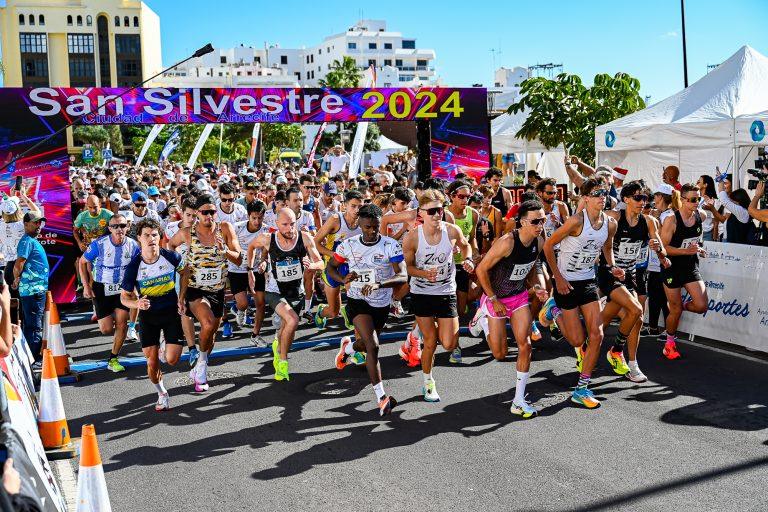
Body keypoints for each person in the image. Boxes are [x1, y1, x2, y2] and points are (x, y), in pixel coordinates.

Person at [543, 176, 623, 409]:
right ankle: (553, 309)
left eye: (605, 193)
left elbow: (607, 248)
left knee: (596, 335)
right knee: (577, 339)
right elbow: (548, 246)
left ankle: (582, 388)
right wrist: (557, 277)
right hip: (566, 282)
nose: (602, 197)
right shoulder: (576, 221)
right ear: (585, 198)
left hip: (588, 281)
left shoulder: (610, 224)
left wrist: (612, 266)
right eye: (597, 193)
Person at [328, 204, 406, 417]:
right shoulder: (348, 245)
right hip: (357, 300)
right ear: (360, 225)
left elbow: (402, 276)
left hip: (380, 302)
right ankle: (381, 397)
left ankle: (349, 348)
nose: (372, 231)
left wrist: (379, 285)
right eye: (367, 228)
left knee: (365, 344)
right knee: (373, 347)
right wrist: (343, 279)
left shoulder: (391, 245)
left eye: (375, 227)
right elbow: (330, 268)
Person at [474, 200, 548, 418]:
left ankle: (518, 399)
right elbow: (481, 269)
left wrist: (536, 287)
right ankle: (483, 320)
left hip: (518, 298)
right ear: (523, 221)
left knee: (524, 345)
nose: (540, 225)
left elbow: (530, 268)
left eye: (543, 220)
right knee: (499, 353)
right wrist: (493, 298)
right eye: (536, 221)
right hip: (496, 299)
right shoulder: (507, 242)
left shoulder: (539, 241)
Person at [402, 189, 472, 402]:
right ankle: (428, 382)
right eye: (431, 211)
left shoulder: (451, 231)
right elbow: (408, 268)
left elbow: (465, 245)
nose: (436, 215)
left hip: (445, 291)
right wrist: (424, 273)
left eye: (439, 210)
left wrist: (468, 259)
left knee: (449, 344)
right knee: (431, 342)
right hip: (422, 292)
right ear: (420, 213)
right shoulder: (412, 238)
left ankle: (415, 334)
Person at [598, 181, 667, 382]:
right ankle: (616, 350)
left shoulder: (649, 222)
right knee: (636, 310)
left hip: (629, 275)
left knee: (634, 318)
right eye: (637, 198)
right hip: (609, 273)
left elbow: (661, 248)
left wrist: (658, 249)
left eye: (645, 198)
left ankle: (632, 364)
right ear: (626, 199)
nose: (642, 202)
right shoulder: (613, 218)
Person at [247, 208, 324, 381]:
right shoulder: (268, 239)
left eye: (292, 224)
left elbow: (320, 262)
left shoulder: (304, 237)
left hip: (296, 292)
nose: (289, 228)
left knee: (286, 330)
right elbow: (251, 247)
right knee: (293, 320)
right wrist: (250, 270)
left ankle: (278, 347)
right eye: (285, 224)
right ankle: (282, 363)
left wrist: (312, 266)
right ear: (276, 224)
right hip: (275, 291)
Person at [177, 194, 243, 392]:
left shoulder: (225, 229)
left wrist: (225, 252)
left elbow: (239, 259)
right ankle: (202, 366)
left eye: (212, 212)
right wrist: (179, 267)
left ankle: (201, 362)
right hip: (195, 288)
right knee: (206, 323)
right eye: (204, 212)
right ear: (197, 213)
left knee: (211, 332)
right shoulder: (187, 233)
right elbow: (169, 246)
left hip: (217, 289)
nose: (209, 216)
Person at [120, 219, 184, 411]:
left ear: (160, 237)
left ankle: (165, 342)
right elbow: (124, 298)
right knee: (152, 362)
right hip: (149, 316)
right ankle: (162, 392)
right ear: (139, 238)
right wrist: (136, 303)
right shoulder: (133, 266)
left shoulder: (171, 257)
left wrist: (181, 296)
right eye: (146, 235)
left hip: (171, 312)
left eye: (154, 235)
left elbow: (186, 272)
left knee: (172, 360)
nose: (151, 239)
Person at [79, 213, 139, 373]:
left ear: (128, 227)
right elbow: (82, 262)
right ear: (109, 228)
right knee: (106, 330)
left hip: (122, 289)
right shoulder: (99, 244)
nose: (119, 229)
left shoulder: (134, 245)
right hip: (102, 288)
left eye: (122, 226)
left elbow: (139, 266)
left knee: (121, 324)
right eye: (115, 226)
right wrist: (86, 286)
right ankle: (106, 315)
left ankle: (113, 358)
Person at [661, 183, 709, 359]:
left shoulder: (700, 216)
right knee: (675, 310)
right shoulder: (671, 221)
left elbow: (695, 240)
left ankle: (679, 307)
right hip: (672, 268)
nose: (697, 203)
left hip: (690, 267)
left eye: (699, 199)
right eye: (693, 200)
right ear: (682, 200)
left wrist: (699, 249)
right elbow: (663, 248)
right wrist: (685, 251)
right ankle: (669, 343)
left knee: (701, 305)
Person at [313, 190, 363, 328]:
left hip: (352, 267)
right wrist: (334, 255)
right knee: (333, 312)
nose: (357, 210)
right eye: (353, 206)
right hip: (333, 266)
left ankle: (349, 312)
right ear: (345, 205)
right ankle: (322, 312)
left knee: (359, 299)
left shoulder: (363, 221)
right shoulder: (336, 219)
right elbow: (315, 243)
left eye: (360, 206)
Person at [445, 179, 479, 363]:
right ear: (452, 197)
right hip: (446, 265)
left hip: (464, 264)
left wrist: (474, 254)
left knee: (459, 307)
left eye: (468, 196)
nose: (465, 199)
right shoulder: (446, 214)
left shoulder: (473, 214)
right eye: (461, 196)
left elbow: (472, 238)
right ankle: (454, 346)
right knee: (449, 308)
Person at [166, 198, 201, 368]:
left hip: (202, 274)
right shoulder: (172, 228)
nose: (192, 219)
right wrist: (177, 263)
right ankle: (192, 348)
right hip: (182, 275)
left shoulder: (202, 227)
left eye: (195, 216)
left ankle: (203, 344)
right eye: (188, 215)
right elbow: (168, 247)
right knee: (185, 310)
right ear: (182, 212)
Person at [229, 201, 269, 346]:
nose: (257, 221)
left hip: (256, 269)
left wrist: (264, 261)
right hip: (237, 269)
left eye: (260, 218)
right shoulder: (237, 228)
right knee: (243, 303)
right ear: (248, 216)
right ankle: (241, 310)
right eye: (254, 218)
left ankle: (255, 335)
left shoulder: (266, 230)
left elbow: (265, 252)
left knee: (260, 303)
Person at [13, 212, 49, 368]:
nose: (38, 225)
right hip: (33, 290)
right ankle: (33, 361)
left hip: (33, 290)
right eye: (35, 222)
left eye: (39, 222)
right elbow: (19, 264)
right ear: (25, 224)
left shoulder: (30, 240)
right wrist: (16, 279)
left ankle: (30, 359)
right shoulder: (27, 241)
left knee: (31, 325)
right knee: (34, 326)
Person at [647, 184, 678, 338]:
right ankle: (653, 328)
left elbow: (663, 241)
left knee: (665, 297)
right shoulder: (662, 214)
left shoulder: (668, 216)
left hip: (664, 262)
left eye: (655, 195)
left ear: (660, 197)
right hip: (655, 262)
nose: (654, 198)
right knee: (654, 295)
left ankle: (669, 330)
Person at [0, 191, 40, 298]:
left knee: (13, 305)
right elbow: (37, 212)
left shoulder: (1, 226)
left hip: (9, 269)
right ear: (18, 209)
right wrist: (23, 196)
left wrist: (8, 201)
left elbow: (6, 212)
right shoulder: (24, 225)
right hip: (25, 266)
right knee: (28, 304)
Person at [715, 177, 754, 244]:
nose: (730, 202)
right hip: (729, 242)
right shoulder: (741, 211)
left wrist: (721, 181)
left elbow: (724, 200)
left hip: (735, 246)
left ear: (738, 201)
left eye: (732, 200)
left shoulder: (741, 211)